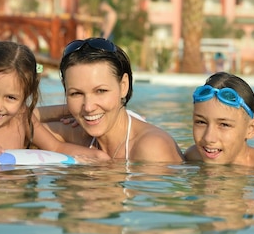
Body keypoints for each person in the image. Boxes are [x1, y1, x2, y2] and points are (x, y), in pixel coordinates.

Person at [0, 41, 110, 162]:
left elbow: (55, 146)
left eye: (10, 97)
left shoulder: (23, 118)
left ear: (26, 97)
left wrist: (97, 156)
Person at [40, 37, 184, 163]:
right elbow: (21, 120)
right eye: (76, 94)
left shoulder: (151, 148)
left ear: (123, 86)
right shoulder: (77, 134)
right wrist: (67, 112)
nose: (88, 106)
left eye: (101, 91)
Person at [184, 72, 254, 169]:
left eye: (224, 125)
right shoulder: (192, 156)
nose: (208, 138)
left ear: (250, 129)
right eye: (201, 122)